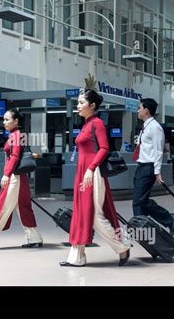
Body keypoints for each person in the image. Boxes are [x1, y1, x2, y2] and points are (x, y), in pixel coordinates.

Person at [59, 89, 131, 267]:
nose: (78, 106)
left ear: (92, 106)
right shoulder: (85, 124)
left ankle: (122, 247)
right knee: (82, 214)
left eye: (81, 102)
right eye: (78, 102)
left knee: (93, 215)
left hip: (92, 173)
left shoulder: (97, 123)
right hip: (84, 173)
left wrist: (91, 169)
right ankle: (77, 257)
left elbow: (104, 148)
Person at [0, 109, 43, 249]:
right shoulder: (16, 135)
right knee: (23, 207)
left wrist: (6, 174)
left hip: (14, 177)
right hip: (19, 176)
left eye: (7, 119)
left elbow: (15, 156)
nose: (4, 122)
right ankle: (34, 238)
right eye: (4, 119)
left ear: (16, 121)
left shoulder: (16, 135)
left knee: (3, 206)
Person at [132, 98, 174, 235]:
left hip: (149, 167)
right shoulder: (145, 126)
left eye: (139, 108)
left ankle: (168, 218)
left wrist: (157, 172)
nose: (138, 110)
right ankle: (142, 228)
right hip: (141, 166)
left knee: (139, 200)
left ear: (146, 110)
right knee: (140, 200)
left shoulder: (155, 128)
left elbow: (158, 151)